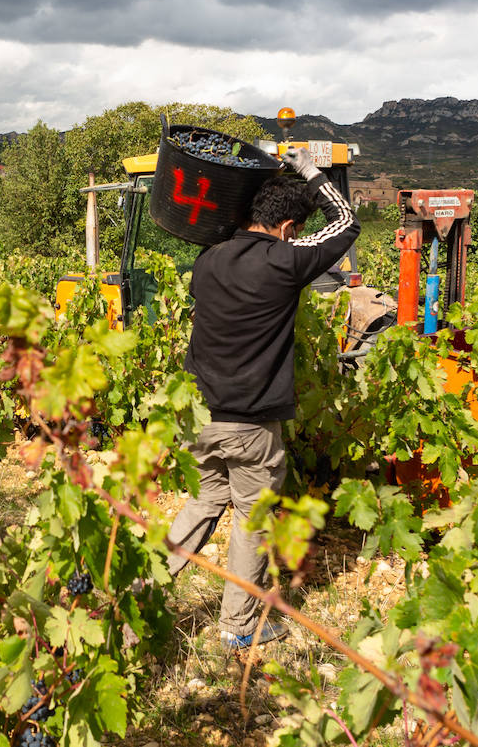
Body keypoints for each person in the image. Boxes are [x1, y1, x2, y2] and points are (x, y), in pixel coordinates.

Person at [166, 148, 360, 650]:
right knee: (251, 521)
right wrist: (310, 171)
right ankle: (238, 626)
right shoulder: (286, 261)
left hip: (199, 416)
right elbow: (346, 221)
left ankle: (141, 588)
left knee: (203, 501)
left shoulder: (207, 261)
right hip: (251, 424)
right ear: (288, 226)